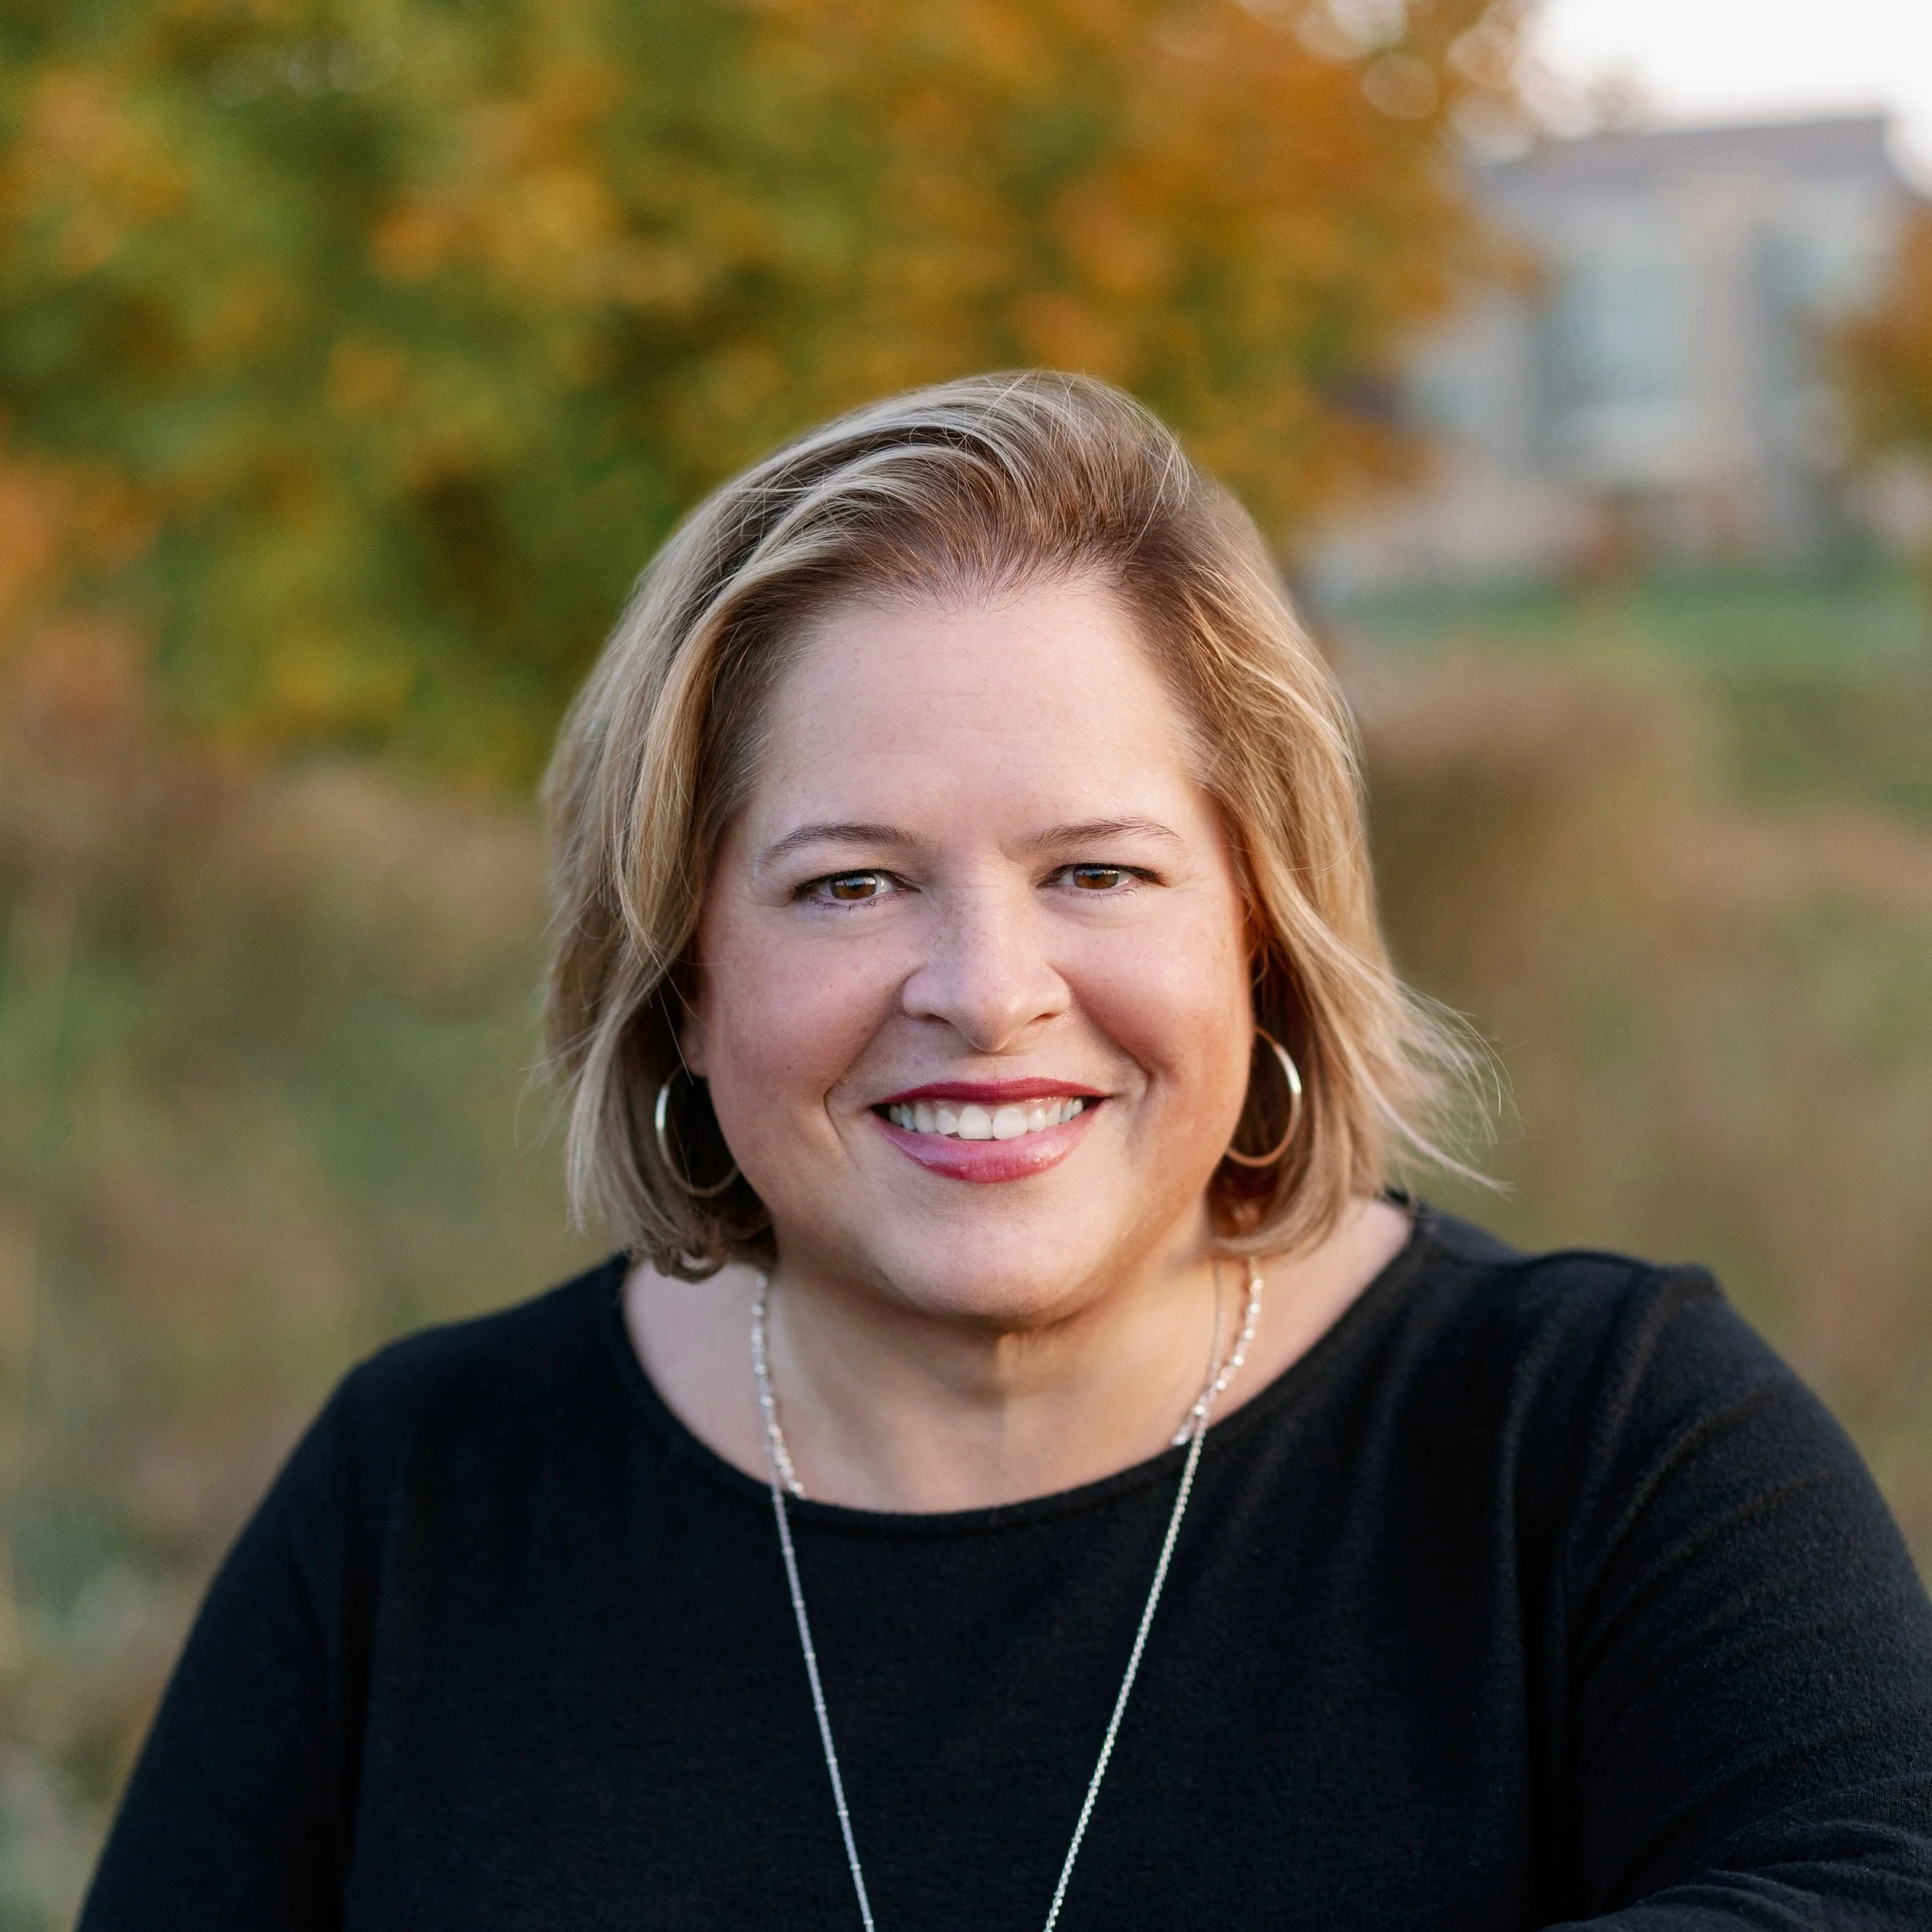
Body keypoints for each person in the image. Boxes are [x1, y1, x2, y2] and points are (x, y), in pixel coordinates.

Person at [81, 373, 1932, 1930]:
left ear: (1257, 929)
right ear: (680, 966)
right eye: (849, 881)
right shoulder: (416, 1495)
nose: (983, 990)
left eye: (1096, 871)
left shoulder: (1603, 1441)